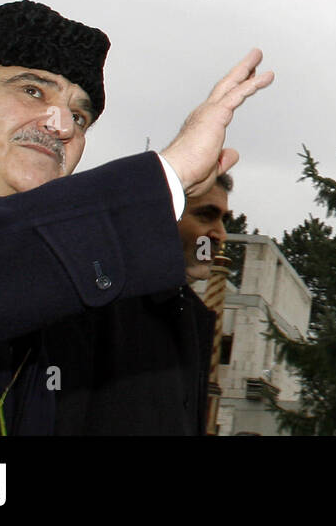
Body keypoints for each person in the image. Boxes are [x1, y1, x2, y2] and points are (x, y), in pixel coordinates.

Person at [0, 0, 273, 434]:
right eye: (32, 90)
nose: (63, 126)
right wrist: (165, 176)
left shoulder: (82, 299)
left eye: (80, 115)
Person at [44, 174, 234, 435]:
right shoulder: (96, 303)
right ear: (159, 218)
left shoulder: (191, 316)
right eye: (206, 215)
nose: (220, 234)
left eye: (224, 220)